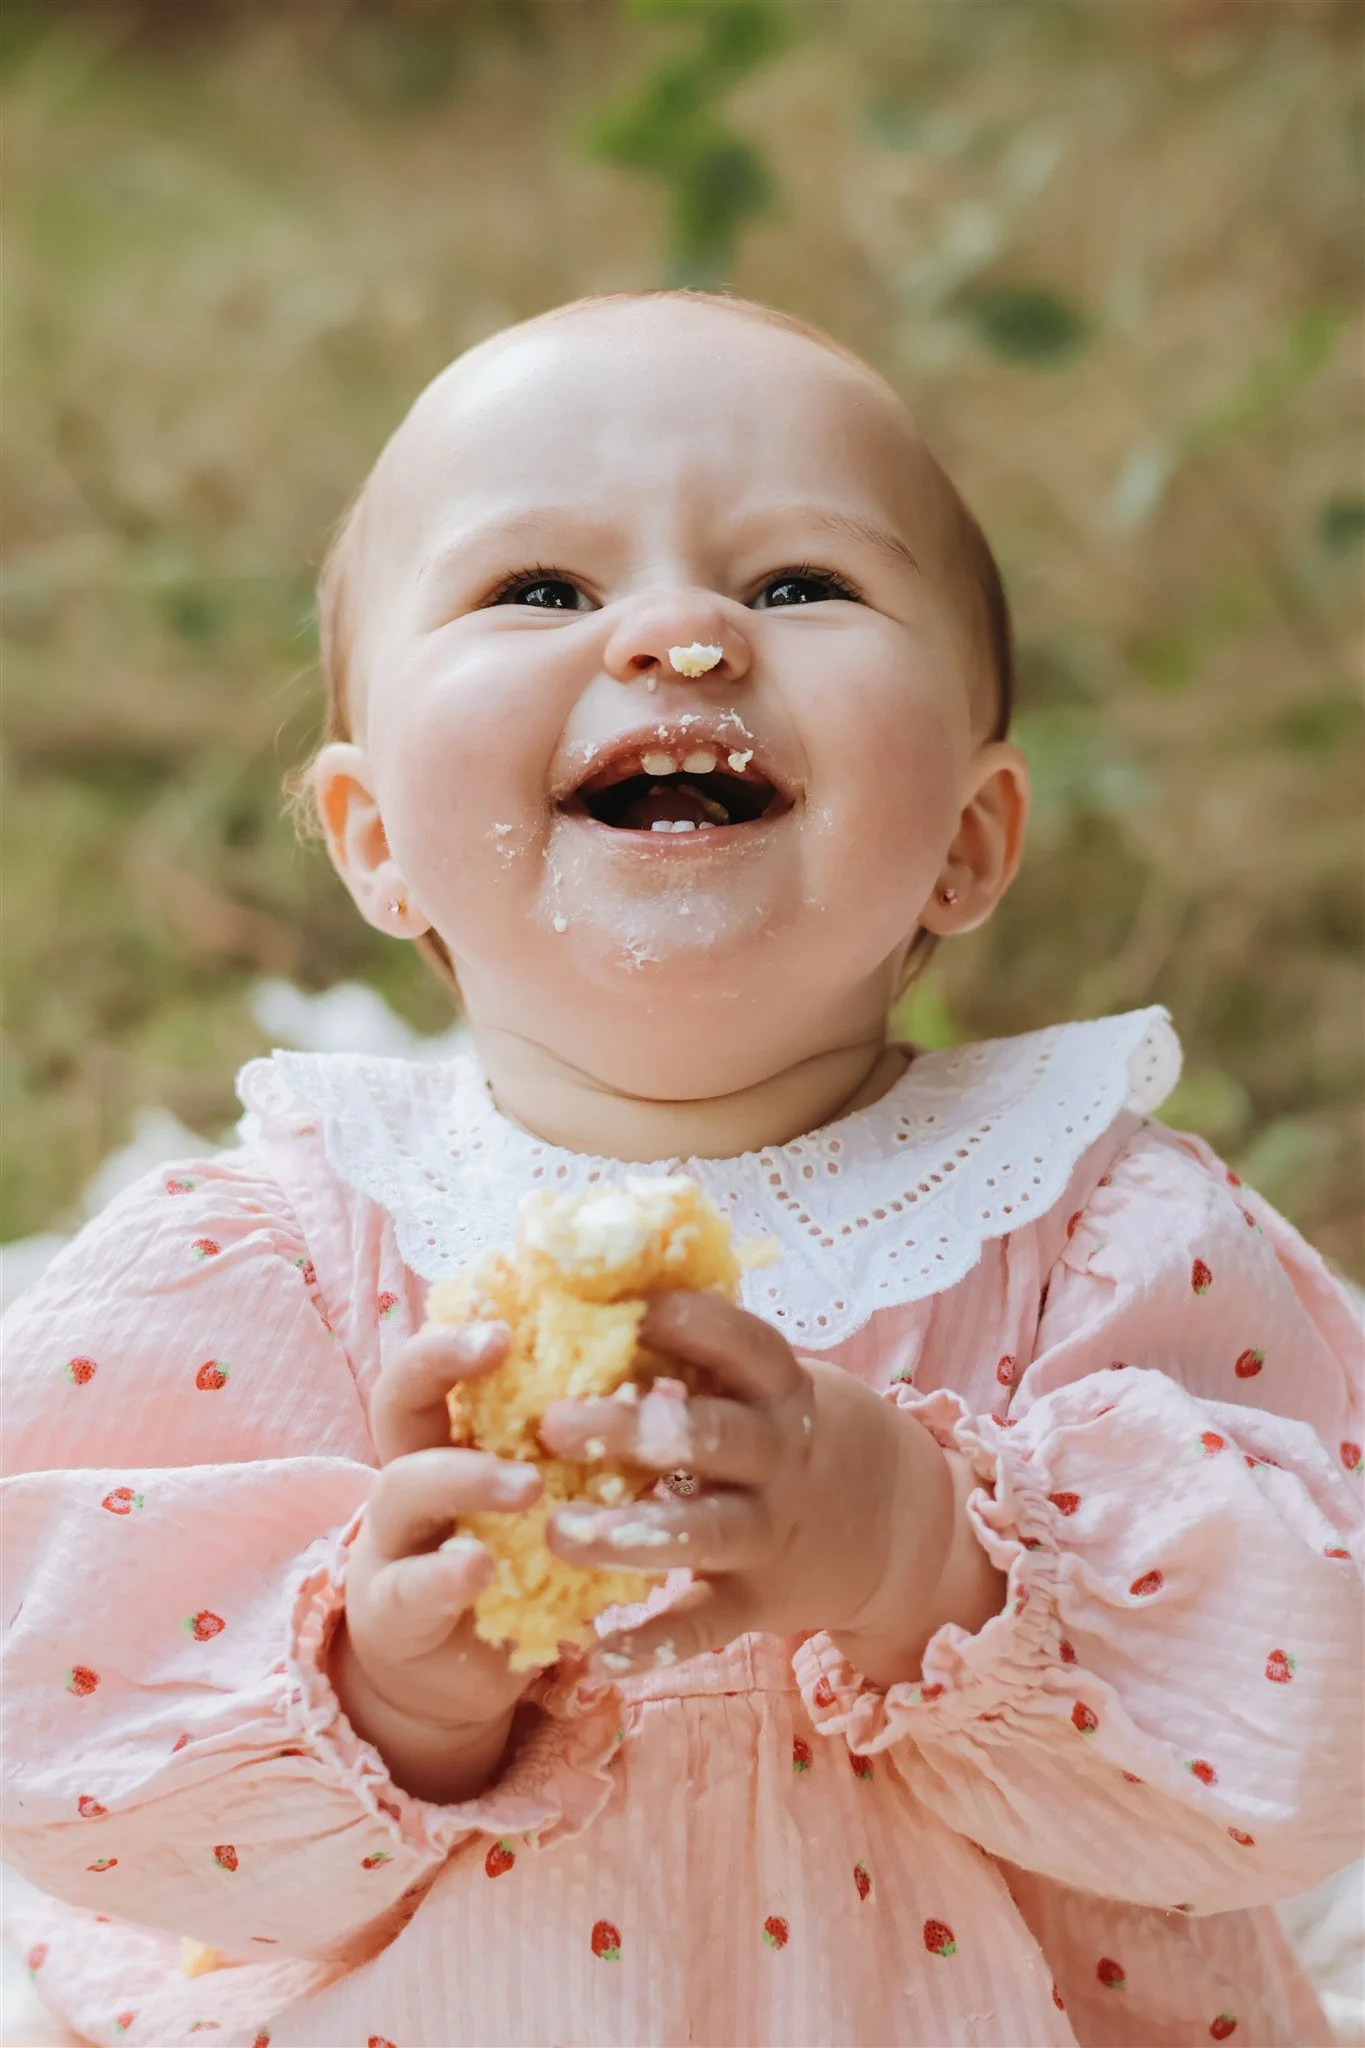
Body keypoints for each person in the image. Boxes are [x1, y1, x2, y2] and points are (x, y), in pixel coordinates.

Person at [3, 290, 1360, 2048]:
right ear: (375, 842)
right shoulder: (285, 1262)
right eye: (538, 590)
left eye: (801, 584)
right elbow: (70, 1741)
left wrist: (923, 1556)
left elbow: (1311, 1725)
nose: (684, 634)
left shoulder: (1097, 1234)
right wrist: (391, 1688)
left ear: (969, 837)